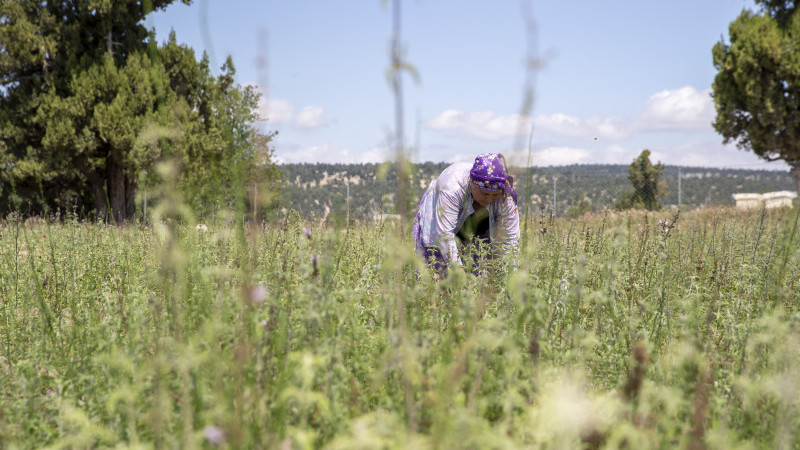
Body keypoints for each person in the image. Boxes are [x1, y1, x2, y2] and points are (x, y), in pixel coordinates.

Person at [412, 153, 520, 275]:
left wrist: (512, 277)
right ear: (472, 184)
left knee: (479, 269)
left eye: (495, 194)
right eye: (484, 194)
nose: (489, 200)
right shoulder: (452, 188)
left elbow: (511, 239)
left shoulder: (506, 195)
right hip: (440, 223)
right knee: (434, 270)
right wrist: (458, 270)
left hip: (474, 224)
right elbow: (444, 233)